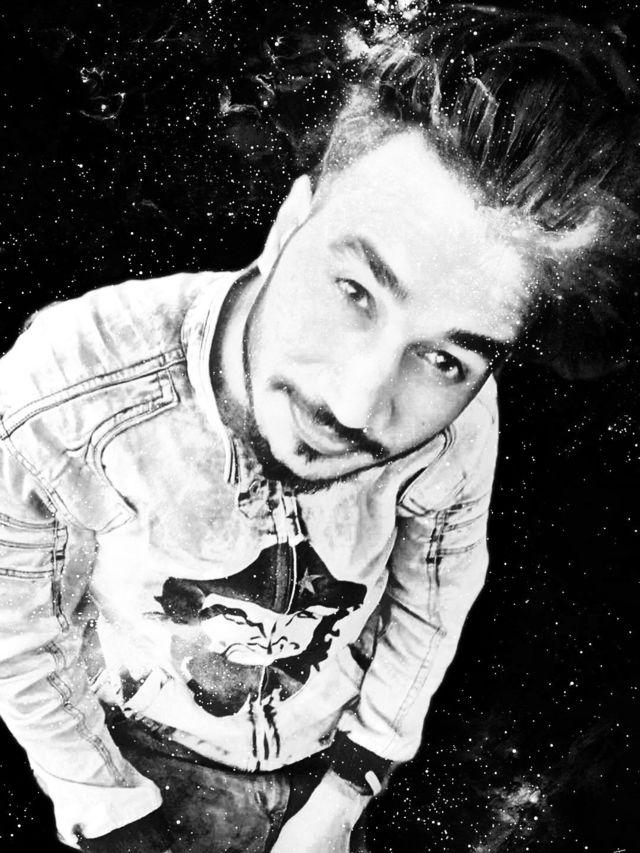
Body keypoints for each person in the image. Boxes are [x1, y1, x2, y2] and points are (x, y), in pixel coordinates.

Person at [0, 5, 638, 852]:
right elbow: (17, 634)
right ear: (287, 224)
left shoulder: (462, 419)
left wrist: (345, 791)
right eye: (354, 291)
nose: (358, 405)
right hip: (145, 763)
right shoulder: (64, 386)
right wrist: (106, 808)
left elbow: (433, 598)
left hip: (324, 768)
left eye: (443, 357)